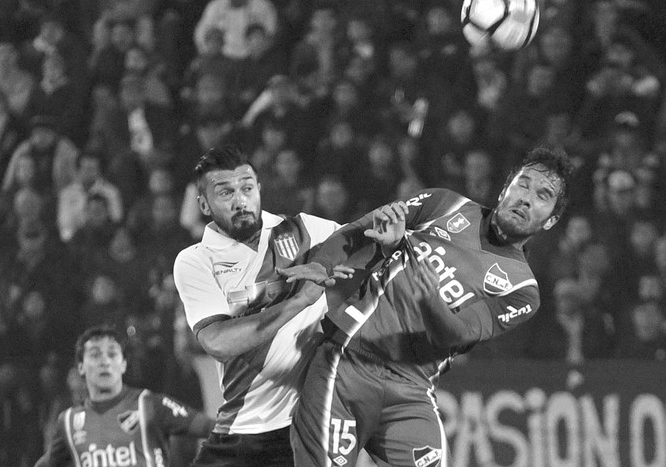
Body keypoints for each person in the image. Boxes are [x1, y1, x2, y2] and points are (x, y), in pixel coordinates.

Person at [279, 147, 574, 466]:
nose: (527, 197)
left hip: (412, 392)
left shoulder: (523, 291)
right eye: (523, 184)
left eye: (543, 195)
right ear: (505, 188)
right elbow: (360, 230)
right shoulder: (445, 204)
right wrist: (323, 264)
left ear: (551, 220)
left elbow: (457, 334)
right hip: (347, 364)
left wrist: (428, 298)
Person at [173, 145, 344, 466]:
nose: (240, 200)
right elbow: (219, 343)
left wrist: (386, 239)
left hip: (305, 425)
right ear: (204, 205)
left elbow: (363, 241)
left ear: (258, 189)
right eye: (225, 193)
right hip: (242, 428)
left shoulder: (305, 231)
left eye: (247, 188)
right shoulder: (196, 260)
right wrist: (299, 300)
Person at [34, 324, 214, 466]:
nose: (105, 361)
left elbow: (214, 429)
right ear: (80, 367)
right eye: (95, 355)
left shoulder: (149, 405)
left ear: (124, 364)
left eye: (112, 354)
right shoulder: (69, 421)